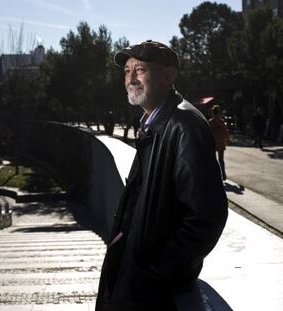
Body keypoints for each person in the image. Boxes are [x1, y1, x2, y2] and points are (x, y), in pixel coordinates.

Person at [95, 40, 228, 311]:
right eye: (127, 71)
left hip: (153, 293)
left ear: (168, 76)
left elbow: (206, 217)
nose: (131, 78)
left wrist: (156, 271)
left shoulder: (183, 126)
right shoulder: (156, 123)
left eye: (140, 69)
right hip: (139, 279)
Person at [209, 105, 229, 180]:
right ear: (219, 112)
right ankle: (223, 174)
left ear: (212, 112)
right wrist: (227, 139)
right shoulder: (221, 121)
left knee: (213, 160)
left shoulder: (211, 122)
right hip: (221, 142)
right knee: (221, 159)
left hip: (213, 142)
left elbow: (208, 133)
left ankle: (215, 174)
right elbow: (225, 131)